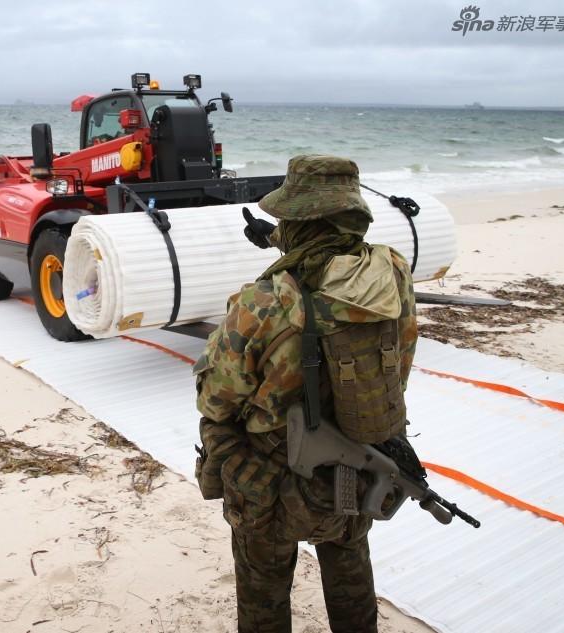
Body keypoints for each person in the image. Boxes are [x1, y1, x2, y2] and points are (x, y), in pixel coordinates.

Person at [193, 154, 417, 633]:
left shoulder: (264, 301)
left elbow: (217, 399)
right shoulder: (392, 275)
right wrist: (272, 239)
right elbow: (399, 359)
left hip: (272, 484)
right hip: (359, 465)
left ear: (298, 219)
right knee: (349, 563)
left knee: (264, 587)